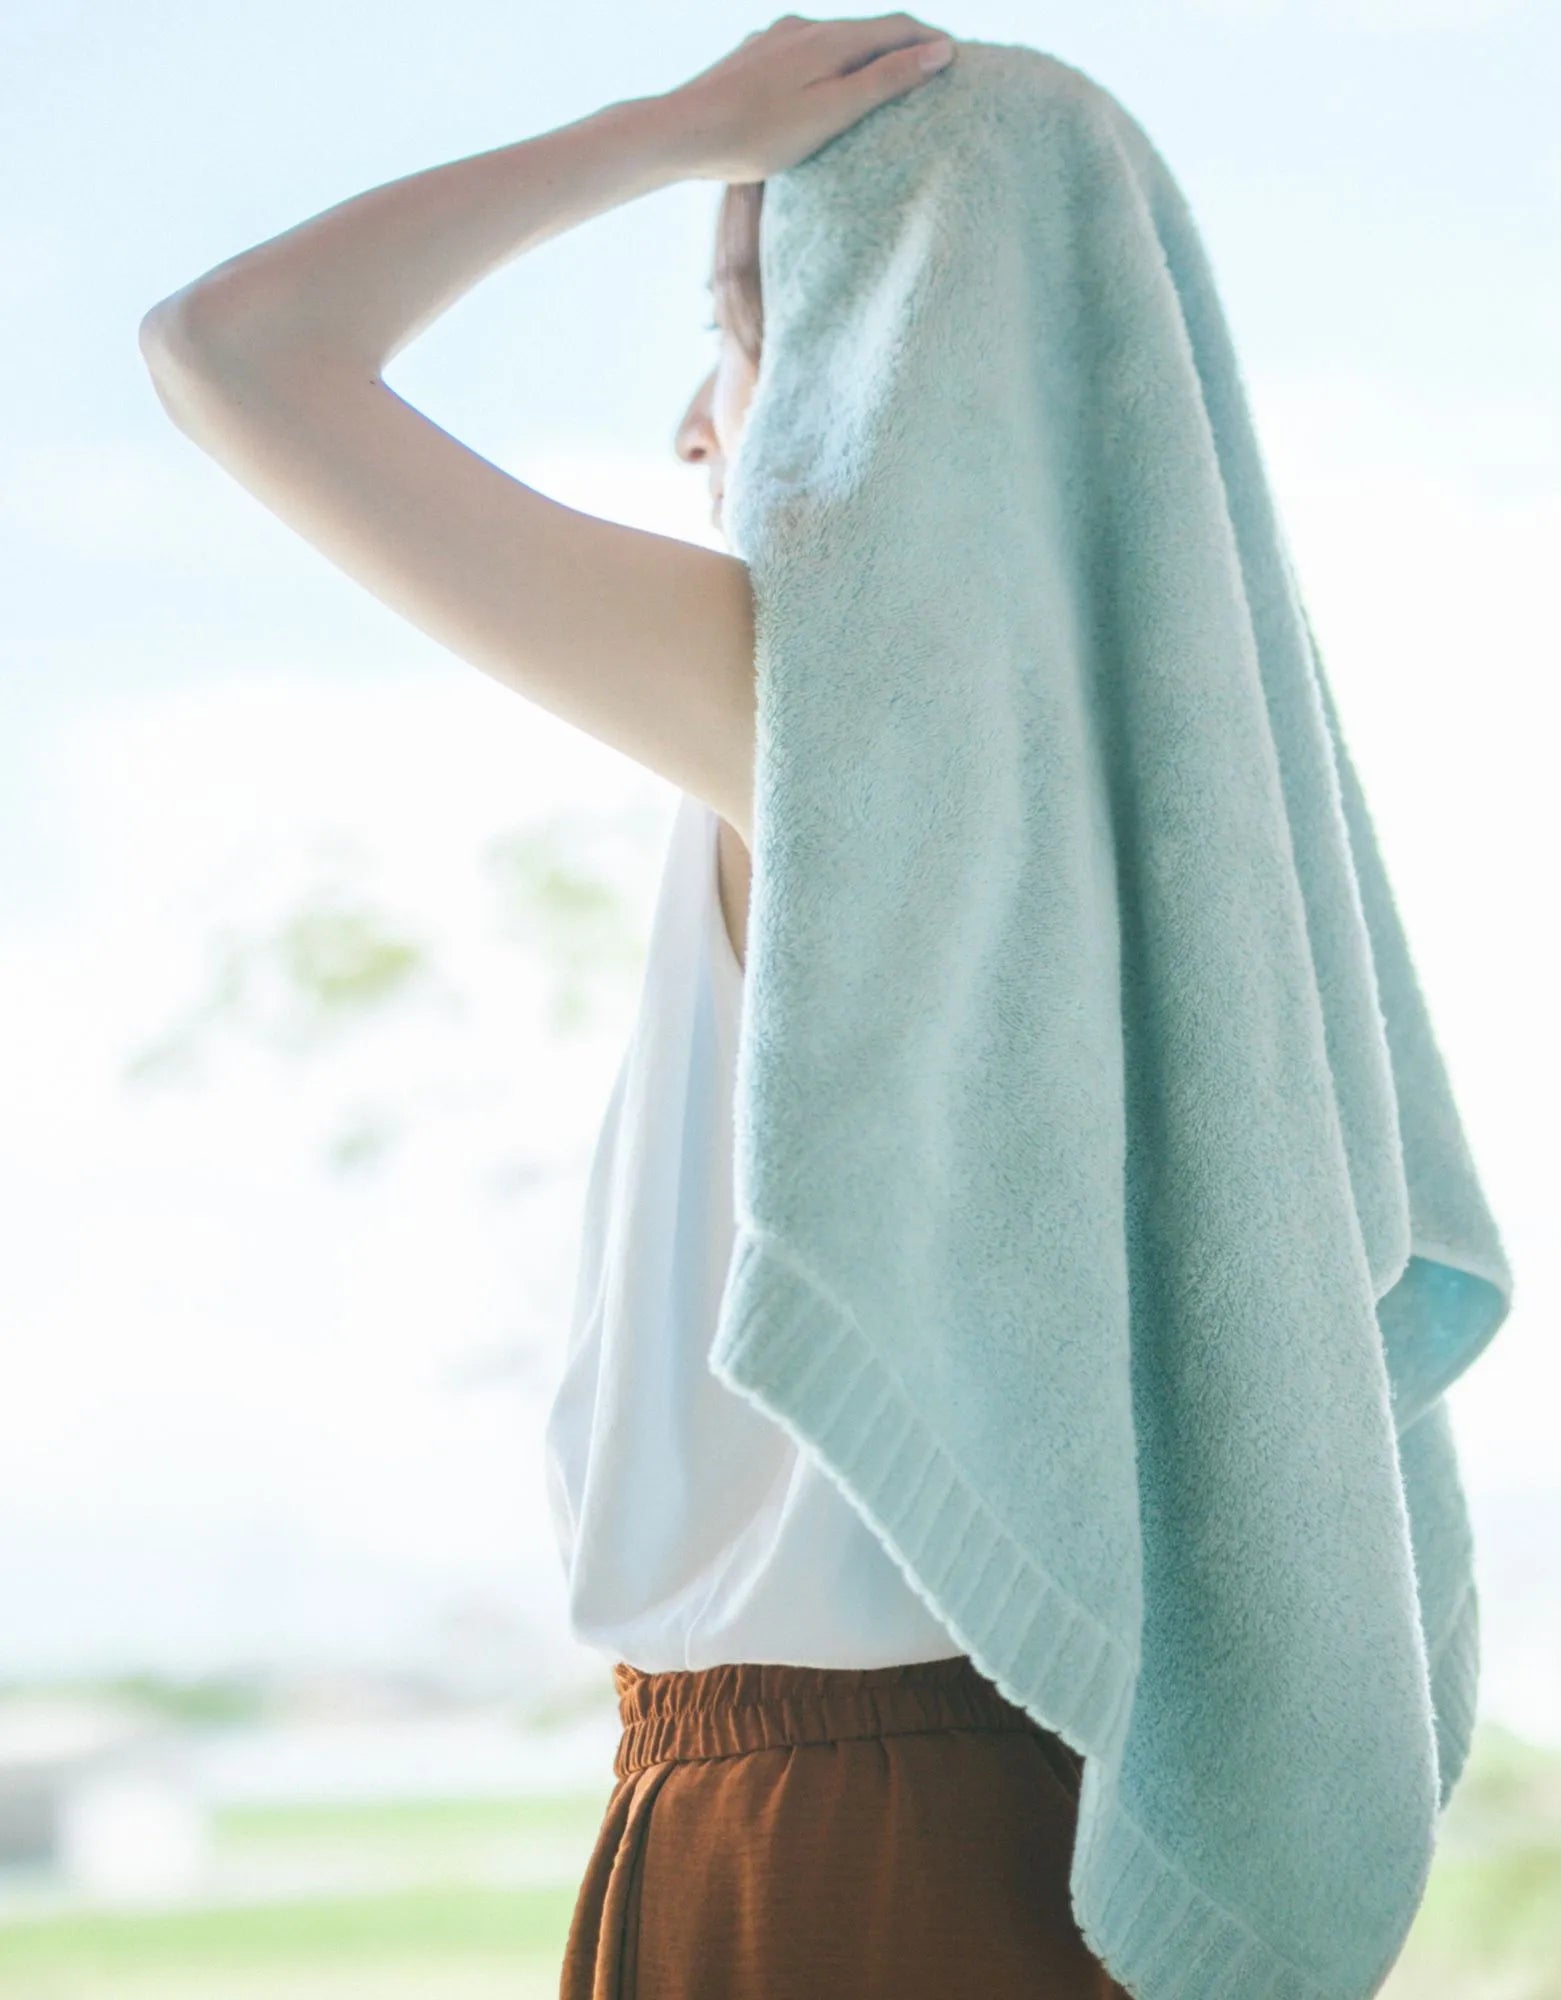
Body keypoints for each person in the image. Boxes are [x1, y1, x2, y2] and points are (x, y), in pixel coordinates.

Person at [139, 16, 1131, 1997]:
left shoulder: (847, 720)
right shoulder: (1127, 772)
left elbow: (229, 348)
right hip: (1027, 1796)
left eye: (739, 315)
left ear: (888, 343)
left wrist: (665, 133)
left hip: (844, 1830)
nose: (695, 418)